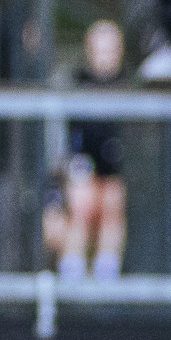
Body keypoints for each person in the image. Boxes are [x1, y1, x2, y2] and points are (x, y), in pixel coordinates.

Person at [58, 19, 130, 280]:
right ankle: (72, 275)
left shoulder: (130, 89)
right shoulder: (74, 85)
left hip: (116, 172)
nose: (104, 58)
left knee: (112, 201)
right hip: (82, 167)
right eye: (99, 50)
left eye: (110, 50)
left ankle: (106, 277)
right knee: (81, 202)